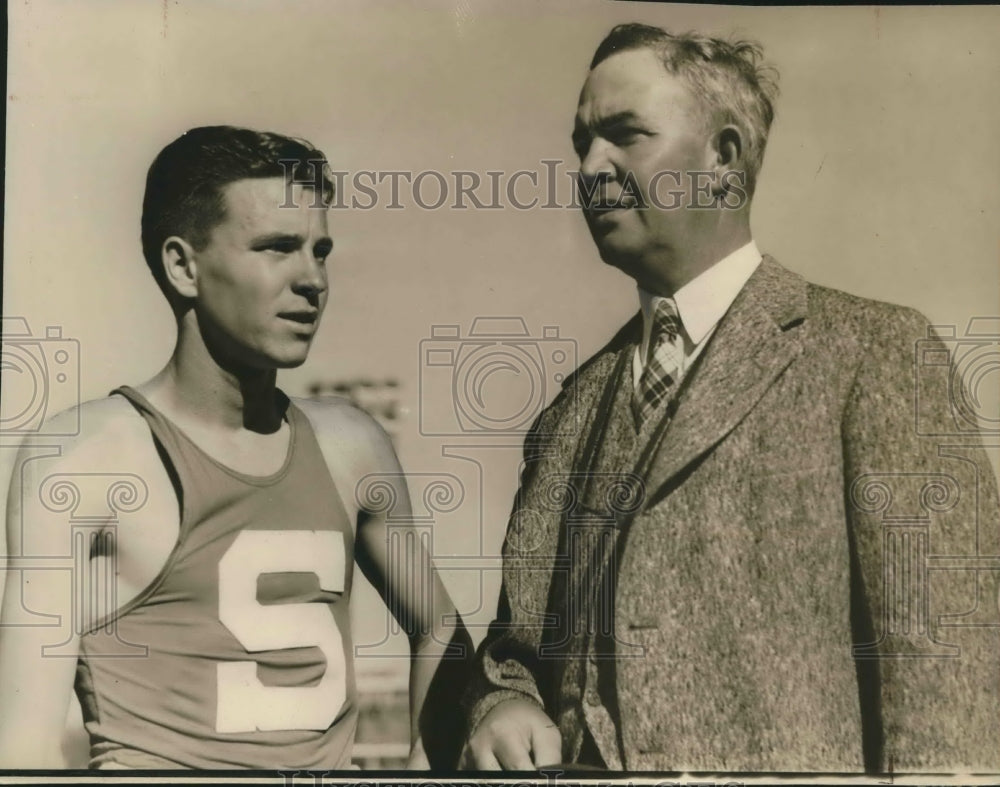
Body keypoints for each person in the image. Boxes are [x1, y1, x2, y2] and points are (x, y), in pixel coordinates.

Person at [461, 23, 999, 773]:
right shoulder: (571, 411)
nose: (589, 167)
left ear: (724, 156)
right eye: (581, 142)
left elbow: (950, 676)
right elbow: (518, 651)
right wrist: (501, 701)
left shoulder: (874, 354)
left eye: (624, 135)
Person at [0, 125, 470, 770]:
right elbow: (22, 749)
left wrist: (429, 769)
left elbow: (443, 628)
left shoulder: (350, 444)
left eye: (320, 250)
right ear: (183, 265)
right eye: (278, 247)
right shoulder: (83, 457)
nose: (314, 279)